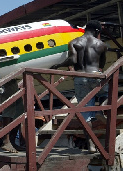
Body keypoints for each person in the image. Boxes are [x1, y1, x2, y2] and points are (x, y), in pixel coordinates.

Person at [51, 20, 108, 153]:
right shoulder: (102, 44)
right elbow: (102, 63)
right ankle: (102, 108)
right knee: (106, 91)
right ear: (97, 32)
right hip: (96, 75)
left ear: (85, 29)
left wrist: (59, 65)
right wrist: (98, 70)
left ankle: (91, 145)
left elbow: (73, 60)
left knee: (85, 114)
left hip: (81, 77)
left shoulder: (74, 42)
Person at [0, 79, 25, 153]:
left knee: (19, 111)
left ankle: (11, 141)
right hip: (5, 80)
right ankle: (6, 141)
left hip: (13, 82)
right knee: (9, 109)